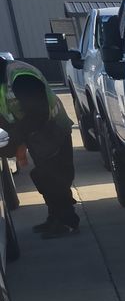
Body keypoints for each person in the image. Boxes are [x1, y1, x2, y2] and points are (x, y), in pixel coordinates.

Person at [0, 62, 77, 237]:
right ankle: (55, 217)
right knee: (43, 176)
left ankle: (67, 221)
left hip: (52, 129)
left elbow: (38, 112)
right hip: (35, 133)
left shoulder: (20, 76)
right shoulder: (3, 81)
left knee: (55, 177)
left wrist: (15, 140)